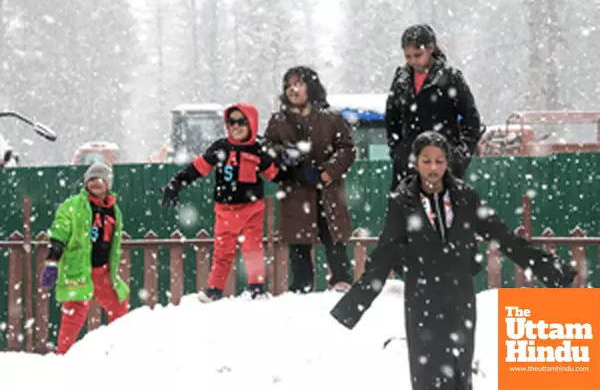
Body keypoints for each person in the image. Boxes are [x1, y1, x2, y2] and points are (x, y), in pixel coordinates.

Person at [330, 131, 577, 390]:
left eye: (439, 161)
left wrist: (553, 271)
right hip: (421, 298)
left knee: (459, 372)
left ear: (447, 162)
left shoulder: (465, 197)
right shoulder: (402, 202)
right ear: (416, 162)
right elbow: (383, 257)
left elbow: (503, 237)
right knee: (427, 374)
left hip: (459, 297)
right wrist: (352, 307)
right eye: (426, 161)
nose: (433, 168)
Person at [161, 103, 284, 302]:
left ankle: (257, 287)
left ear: (251, 123)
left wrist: (288, 165)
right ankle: (215, 289)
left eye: (241, 122)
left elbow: (275, 175)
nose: (236, 126)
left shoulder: (258, 149)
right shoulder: (220, 148)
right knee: (222, 252)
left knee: (253, 249)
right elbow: (198, 168)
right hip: (225, 211)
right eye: (231, 122)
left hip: (252, 209)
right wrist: (176, 184)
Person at [263, 66, 356, 293]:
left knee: (333, 236)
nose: (292, 90)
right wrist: (284, 155)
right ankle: (303, 284)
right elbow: (266, 147)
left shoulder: (331, 118)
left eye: (298, 84)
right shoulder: (278, 120)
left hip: (327, 189)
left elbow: (347, 149)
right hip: (295, 189)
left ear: (311, 87)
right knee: (298, 242)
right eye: (288, 85)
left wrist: (329, 171)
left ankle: (341, 279)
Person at [40, 162, 130, 354]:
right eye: (91, 179)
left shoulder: (114, 210)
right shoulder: (73, 206)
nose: (96, 182)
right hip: (78, 269)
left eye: (101, 179)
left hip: (103, 271)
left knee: (119, 307)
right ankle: (63, 355)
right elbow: (60, 229)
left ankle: (122, 350)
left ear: (108, 184)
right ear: (85, 183)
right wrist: (52, 260)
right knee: (74, 314)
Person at [385, 23, 483, 189]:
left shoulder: (450, 77)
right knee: (406, 210)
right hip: (408, 164)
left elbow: (471, 119)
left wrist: (459, 155)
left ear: (430, 49)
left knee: (444, 211)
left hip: (443, 162)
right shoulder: (401, 80)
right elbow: (391, 118)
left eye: (417, 55)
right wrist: (398, 152)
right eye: (408, 56)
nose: (413, 61)